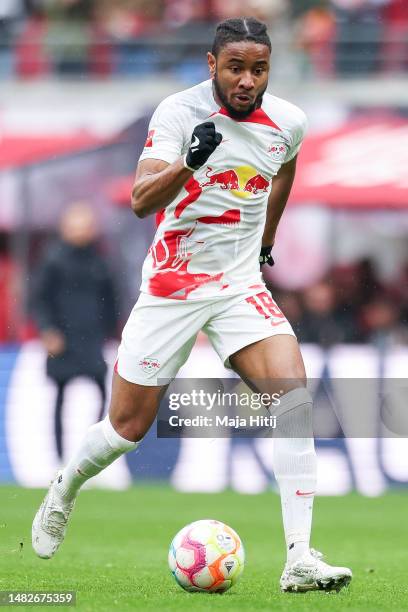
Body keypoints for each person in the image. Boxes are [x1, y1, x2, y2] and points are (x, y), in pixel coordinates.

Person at [32, 17, 352, 593]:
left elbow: (285, 169)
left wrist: (267, 242)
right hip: (172, 289)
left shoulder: (289, 122)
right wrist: (189, 164)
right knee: (126, 428)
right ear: (212, 66)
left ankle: (299, 558)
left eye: (259, 69)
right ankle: (63, 489)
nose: (248, 80)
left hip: (237, 286)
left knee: (293, 399)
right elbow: (137, 201)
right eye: (236, 68)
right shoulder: (178, 115)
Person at [32, 202, 118, 461]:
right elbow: (39, 299)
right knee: (59, 399)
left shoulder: (101, 262)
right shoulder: (53, 260)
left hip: (92, 340)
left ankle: (91, 456)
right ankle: (58, 460)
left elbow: (112, 301)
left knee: (102, 396)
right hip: (63, 340)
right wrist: (48, 330)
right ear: (65, 228)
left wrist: (112, 332)